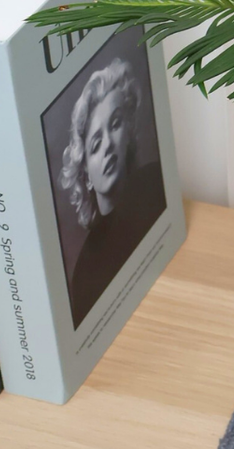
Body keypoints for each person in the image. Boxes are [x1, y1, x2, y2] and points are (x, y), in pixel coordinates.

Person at [60, 56, 165, 327]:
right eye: (95, 145)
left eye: (116, 125)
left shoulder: (156, 183)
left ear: (129, 134)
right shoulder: (84, 272)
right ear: (86, 175)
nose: (107, 145)